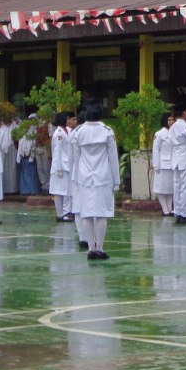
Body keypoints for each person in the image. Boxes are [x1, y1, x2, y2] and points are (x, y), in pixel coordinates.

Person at [70, 104, 119, 260]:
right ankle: (100, 247)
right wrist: (116, 180)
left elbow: (75, 159)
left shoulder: (78, 132)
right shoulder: (107, 132)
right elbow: (113, 158)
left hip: (83, 177)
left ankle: (91, 248)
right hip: (103, 176)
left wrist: (75, 178)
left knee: (86, 213)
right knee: (102, 213)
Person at [49, 111, 74, 222]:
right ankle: (60, 214)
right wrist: (58, 168)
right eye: (68, 119)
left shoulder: (67, 131)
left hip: (67, 165)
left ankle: (66, 212)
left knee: (67, 190)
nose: (69, 120)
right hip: (60, 165)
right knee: (59, 191)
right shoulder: (59, 133)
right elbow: (57, 151)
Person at [151, 112, 175, 217]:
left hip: (172, 164)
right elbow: (155, 150)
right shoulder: (159, 134)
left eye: (172, 120)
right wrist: (156, 165)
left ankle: (170, 208)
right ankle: (164, 209)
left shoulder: (175, 133)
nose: (171, 122)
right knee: (161, 188)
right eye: (169, 120)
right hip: (162, 164)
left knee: (170, 188)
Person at [17, 118, 42, 196]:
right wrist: (18, 157)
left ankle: (33, 190)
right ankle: (25, 191)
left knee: (32, 175)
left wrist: (31, 156)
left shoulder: (33, 133)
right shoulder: (23, 134)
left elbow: (33, 145)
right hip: (24, 156)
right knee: (24, 175)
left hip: (30, 157)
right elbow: (20, 146)